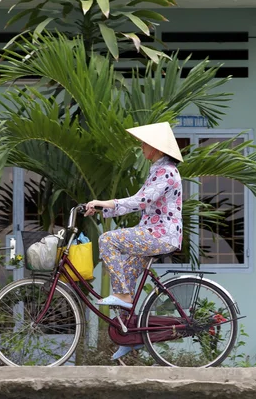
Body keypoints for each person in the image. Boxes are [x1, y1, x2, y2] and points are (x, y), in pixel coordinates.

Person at [84, 121, 183, 361]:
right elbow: (142, 202)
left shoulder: (166, 172)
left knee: (107, 240)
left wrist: (106, 203)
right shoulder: (157, 170)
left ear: (157, 148)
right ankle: (131, 339)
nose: (141, 147)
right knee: (125, 277)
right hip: (152, 233)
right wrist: (103, 209)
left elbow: (141, 201)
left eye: (144, 143)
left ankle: (125, 298)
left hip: (160, 235)